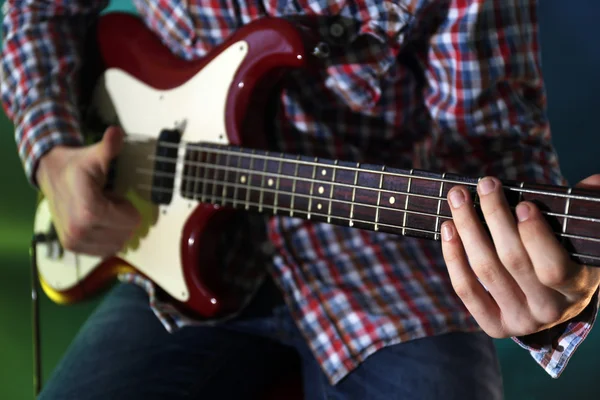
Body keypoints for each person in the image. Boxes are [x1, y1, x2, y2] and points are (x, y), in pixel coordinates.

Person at [2, 0, 599, 399]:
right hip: (165, 247)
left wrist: (546, 296)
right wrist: (51, 150)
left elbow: (492, 148)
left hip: (385, 258)